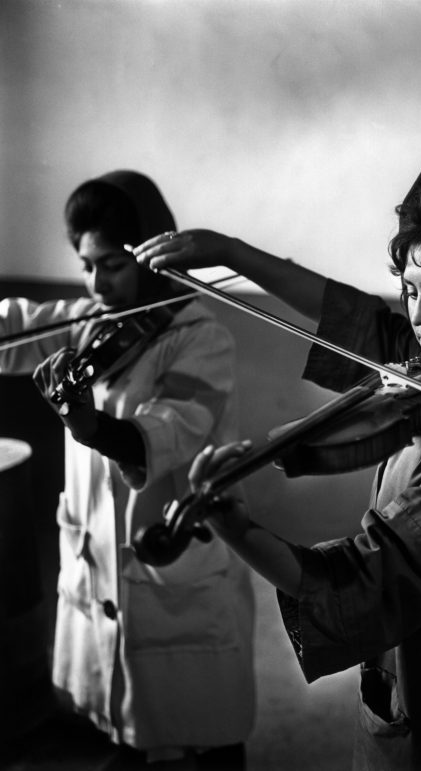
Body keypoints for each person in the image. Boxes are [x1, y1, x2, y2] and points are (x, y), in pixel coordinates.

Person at [134, 152, 421, 770]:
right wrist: (231, 251)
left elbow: (368, 580)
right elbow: (352, 319)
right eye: (410, 290)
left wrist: (237, 529)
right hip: (415, 673)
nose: (419, 314)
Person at [0, 171, 255, 770]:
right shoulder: (90, 322)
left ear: (150, 254)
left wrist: (94, 427)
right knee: (125, 711)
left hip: (170, 552)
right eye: (86, 264)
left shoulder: (200, 336)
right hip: (100, 553)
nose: (97, 282)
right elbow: (14, 325)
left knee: (202, 718)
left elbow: (168, 429)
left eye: (112, 263)